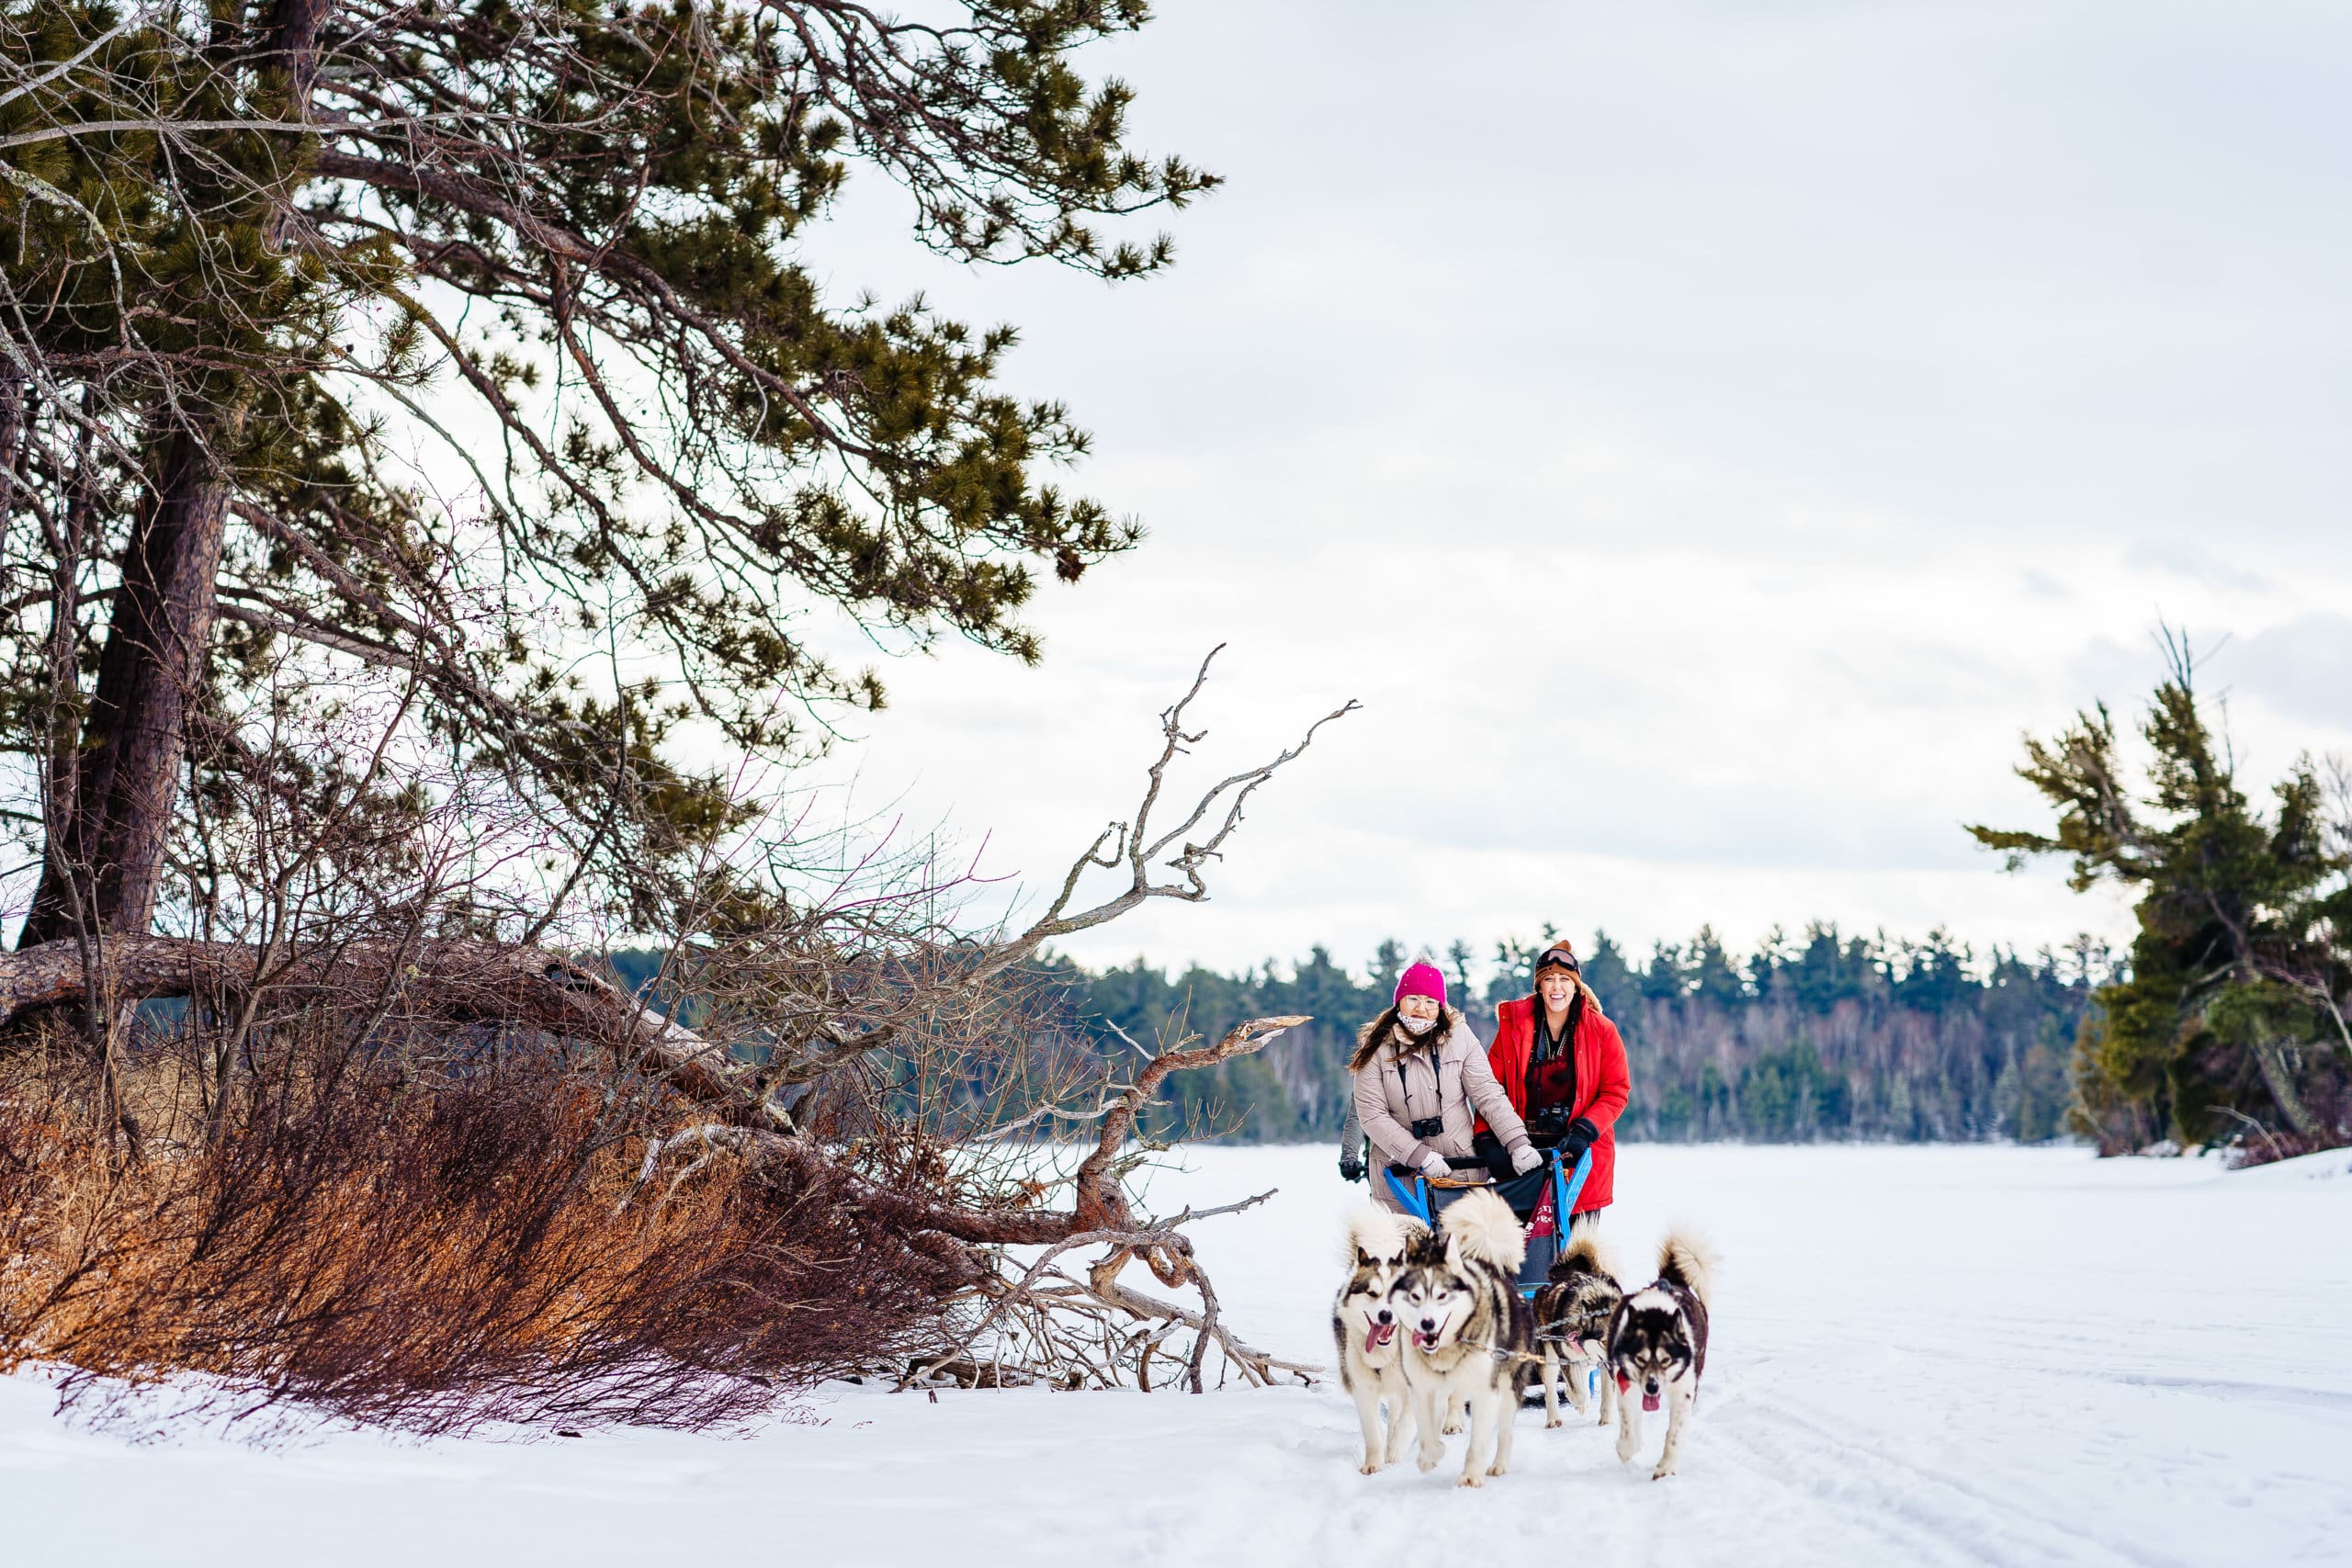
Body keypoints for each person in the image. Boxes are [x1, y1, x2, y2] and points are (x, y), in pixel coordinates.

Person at [1347, 960, 1538, 1213]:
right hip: (1399, 1176)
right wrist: (1419, 1155)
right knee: (1406, 1250)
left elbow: (1488, 1095)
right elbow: (1372, 1116)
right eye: (1412, 999)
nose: (1420, 1009)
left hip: (1459, 1169)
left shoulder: (1460, 1038)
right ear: (1399, 1002)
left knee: (1462, 1250)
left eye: (1429, 1001)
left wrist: (1517, 1142)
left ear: (1440, 1005)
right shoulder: (1375, 1047)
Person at [1476, 940, 1631, 1232]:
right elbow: (1490, 1091)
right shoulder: (1513, 1029)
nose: (1556, 987)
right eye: (1548, 979)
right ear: (1539, 986)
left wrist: (1585, 1130)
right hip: (1523, 1160)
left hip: (1579, 1154)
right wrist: (1486, 1140)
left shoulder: (1602, 1030)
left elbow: (1616, 1090)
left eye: (1564, 979)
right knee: (1522, 1259)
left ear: (1576, 986)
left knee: (1574, 1264)